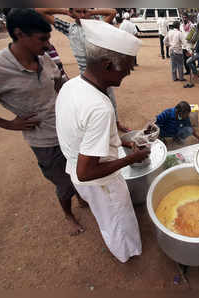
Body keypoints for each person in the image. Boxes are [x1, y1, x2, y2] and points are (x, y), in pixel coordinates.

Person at [56, 19, 149, 262]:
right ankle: (126, 254)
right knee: (118, 220)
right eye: (127, 67)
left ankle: (122, 247)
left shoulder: (72, 86)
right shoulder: (99, 107)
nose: (129, 72)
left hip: (79, 176)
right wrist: (132, 159)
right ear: (108, 65)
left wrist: (124, 143)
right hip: (100, 183)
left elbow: (81, 132)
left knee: (106, 217)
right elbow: (86, 172)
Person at [0, 8, 86, 236]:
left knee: (80, 171)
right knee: (64, 183)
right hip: (45, 141)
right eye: (42, 39)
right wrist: (9, 124)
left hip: (68, 130)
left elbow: (60, 83)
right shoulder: (0, 68)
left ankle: (81, 198)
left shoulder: (44, 58)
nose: (48, 45)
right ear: (19, 34)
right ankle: (68, 214)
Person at [35, 8, 131, 133]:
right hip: (85, 75)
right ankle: (100, 128)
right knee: (91, 104)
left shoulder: (96, 27)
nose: (81, 15)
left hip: (102, 72)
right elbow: (40, 11)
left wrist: (91, 13)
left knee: (111, 101)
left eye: (84, 11)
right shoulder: (69, 28)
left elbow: (112, 12)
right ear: (72, 13)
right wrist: (65, 11)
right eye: (78, 12)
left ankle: (116, 124)